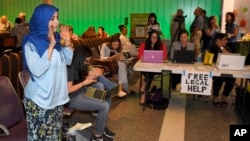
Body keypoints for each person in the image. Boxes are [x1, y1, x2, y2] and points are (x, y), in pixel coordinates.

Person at [22, 4, 73, 140]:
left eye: (57, 18)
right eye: (52, 18)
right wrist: (50, 46)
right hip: (39, 100)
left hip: (55, 97)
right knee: (40, 138)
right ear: (42, 20)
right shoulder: (31, 43)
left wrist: (67, 43)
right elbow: (38, 70)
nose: (57, 22)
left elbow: (67, 61)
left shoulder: (55, 39)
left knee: (55, 136)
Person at [67, 46, 120, 141]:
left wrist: (92, 75)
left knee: (108, 98)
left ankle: (102, 128)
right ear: (80, 58)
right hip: (72, 98)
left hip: (81, 91)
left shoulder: (81, 64)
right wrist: (84, 82)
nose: (87, 63)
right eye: (86, 60)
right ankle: (97, 136)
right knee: (104, 106)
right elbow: (68, 90)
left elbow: (92, 71)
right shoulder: (70, 68)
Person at [138, 30, 168, 104]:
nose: (154, 39)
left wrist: (160, 57)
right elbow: (139, 55)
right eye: (152, 37)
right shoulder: (144, 44)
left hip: (157, 68)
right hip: (145, 67)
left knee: (149, 74)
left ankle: (144, 92)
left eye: (156, 37)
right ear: (149, 37)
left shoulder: (161, 45)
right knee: (149, 73)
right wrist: (144, 57)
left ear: (158, 38)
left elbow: (165, 56)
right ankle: (144, 91)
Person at [209, 33, 236, 107]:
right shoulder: (212, 48)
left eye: (226, 39)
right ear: (218, 40)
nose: (226, 41)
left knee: (232, 78)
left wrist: (221, 47)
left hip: (227, 71)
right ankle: (215, 97)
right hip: (215, 72)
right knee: (219, 78)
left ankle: (224, 97)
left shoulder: (227, 48)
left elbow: (230, 57)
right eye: (224, 40)